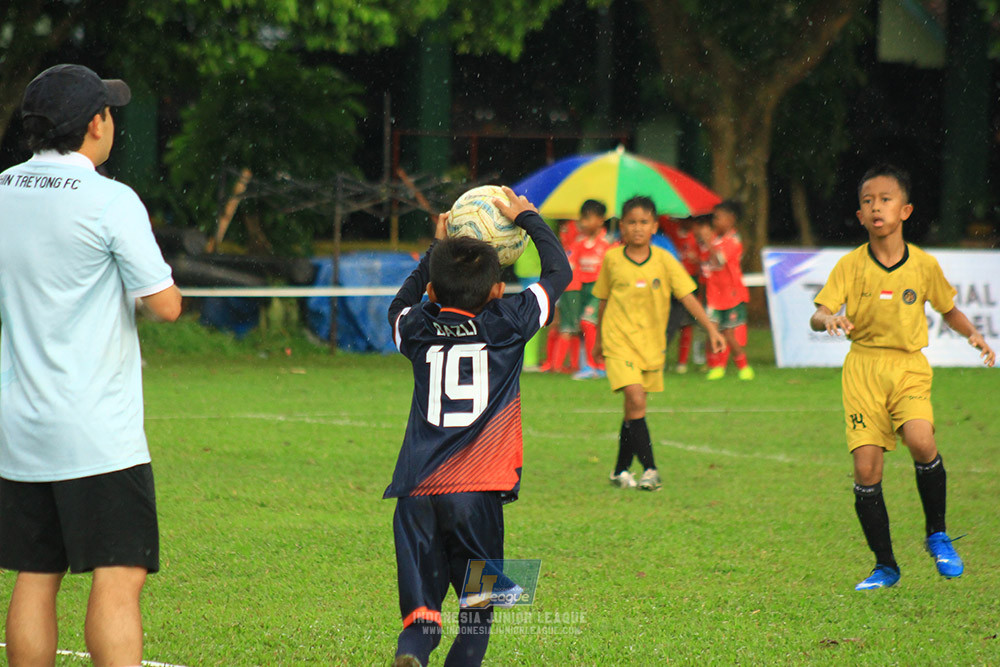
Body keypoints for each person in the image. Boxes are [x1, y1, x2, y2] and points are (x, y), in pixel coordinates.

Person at [0, 64, 182, 666]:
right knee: (119, 575)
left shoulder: (3, 189)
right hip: (96, 431)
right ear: (95, 124)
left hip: (18, 426)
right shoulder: (110, 199)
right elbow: (165, 304)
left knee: (35, 573)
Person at [385, 187, 571, 666]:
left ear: (431, 290)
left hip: (416, 492)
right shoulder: (508, 325)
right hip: (478, 494)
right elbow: (559, 272)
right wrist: (528, 217)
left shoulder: (417, 329)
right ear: (496, 289)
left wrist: (437, 248)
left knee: (422, 616)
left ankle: (413, 653)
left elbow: (399, 306)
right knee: (478, 614)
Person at [810, 164, 995, 591]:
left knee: (921, 439)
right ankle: (885, 566)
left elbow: (949, 309)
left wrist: (974, 336)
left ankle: (938, 534)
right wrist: (830, 318)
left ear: (905, 210)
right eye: (868, 202)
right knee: (866, 469)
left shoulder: (924, 265)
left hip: (908, 365)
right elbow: (819, 313)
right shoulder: (850, 265)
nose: (876, 207)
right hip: (862, 370)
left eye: (885, 199)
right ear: (860, 216)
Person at [592, 196, 725, 491]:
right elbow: (603, 302)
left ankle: (619, 471)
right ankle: (650, 469)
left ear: (654, 226)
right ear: (622, 227)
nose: (637, 228)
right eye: (631, 222)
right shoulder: (612, 259)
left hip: (651, 345)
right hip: (618, 342)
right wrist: (600, 339)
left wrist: (711, 330)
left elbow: (688, 297)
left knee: (632, 408)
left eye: (644, 222)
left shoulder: (665, 260)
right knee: (636, 399)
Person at [697, 200, 754, 380]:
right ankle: (716, 366)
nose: (715, 222)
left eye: (718, 218)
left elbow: (720, 259)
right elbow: (707, 262)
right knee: (712, 330)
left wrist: (708, 242)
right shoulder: (715, 239)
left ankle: (743, 366)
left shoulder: (733, 240)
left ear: (731, 219)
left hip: (731, 295)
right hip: (714, 294)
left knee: (729, 333)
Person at [567, 199, 613, 380]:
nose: (583, 223)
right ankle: (589, 365)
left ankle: (596, 366)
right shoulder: (579, 242)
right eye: (582, 219)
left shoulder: (608, 243)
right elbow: (570, 261)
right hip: (582, 289)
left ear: (600, 220)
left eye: (588, 218)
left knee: (589, 322)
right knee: (583, 326)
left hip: (599, 290)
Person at [661, 215, 704, 373]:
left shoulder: (696, 237)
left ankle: (682, 362)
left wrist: (697, 260)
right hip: (669, 283)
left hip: (690, 284)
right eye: (686, 219)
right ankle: (660, 359)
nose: (690, 223)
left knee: (687, 324)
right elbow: (661, 215)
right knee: (666, 322)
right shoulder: (671, 231)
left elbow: (704, 260)